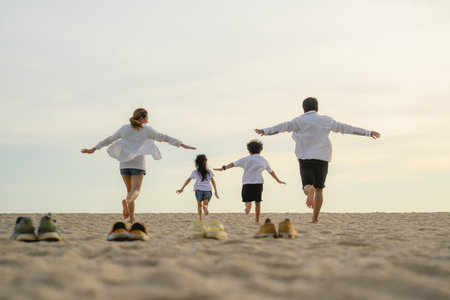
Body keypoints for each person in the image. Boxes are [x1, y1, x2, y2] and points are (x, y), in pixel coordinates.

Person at [255, 97, 380, 223]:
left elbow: (282, 127)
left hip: (305, 157)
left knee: (306, 185)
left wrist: (265, 131)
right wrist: (368, 133)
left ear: (303, 109)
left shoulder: (298, 121)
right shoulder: (326, 120)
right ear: (317, 108)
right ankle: (315, 218)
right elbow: (345, 128)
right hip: (323, 157)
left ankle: (309, 190)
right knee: (320, 189)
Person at [81, 108, 196, 224]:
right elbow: (164, 137)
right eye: (147, 118)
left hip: (124, 164)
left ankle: (131, 220)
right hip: (138, 164)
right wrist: (182, 144)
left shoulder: (124, 129)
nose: (148, 121)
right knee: (135, 191)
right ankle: (126, 203)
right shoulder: (146, 129)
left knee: (130, 192)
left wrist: (94, 149)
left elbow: (109, 139)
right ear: (141, 118)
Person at [214, 139, 286, 223]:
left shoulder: (246, 159)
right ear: (260, 150)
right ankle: (257, 220)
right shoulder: (263, 160)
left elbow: (233, 164)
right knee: (258, 202)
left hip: (247, 183)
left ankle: (248, 204)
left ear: (249, 151)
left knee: (246, 199)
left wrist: (223, 168)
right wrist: (278, 180)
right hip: (258, 183)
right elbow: (271, 171)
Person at [176, 154, 219, 220]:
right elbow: (213, 181)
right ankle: (205, 207)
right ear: (206, 161)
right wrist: (216, 191)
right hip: (207, 189)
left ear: (197, 163)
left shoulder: (195, 172)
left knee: (199, 205)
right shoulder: (209, 171)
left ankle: (200, 219)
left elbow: (188, 180)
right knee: (205, 203)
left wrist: (182, 188)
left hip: (198, 190)